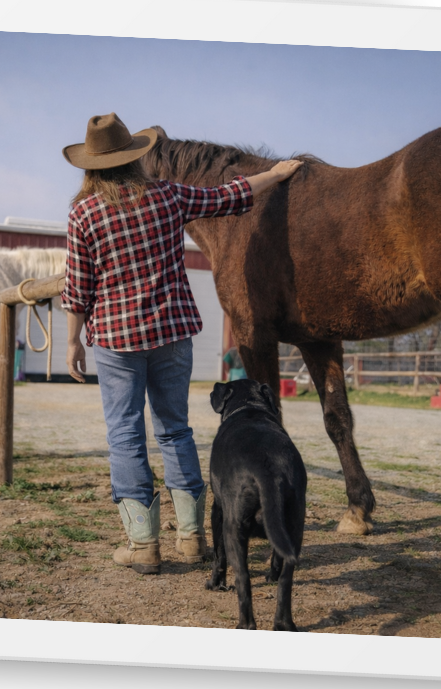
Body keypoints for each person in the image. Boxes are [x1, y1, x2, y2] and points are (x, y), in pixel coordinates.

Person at [60, 113, 302, 575]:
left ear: (90, 166)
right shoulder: (167, 196)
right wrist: (276, 172)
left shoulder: (84, 213)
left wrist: (73, 340)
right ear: (133, 158)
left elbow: (79, 286)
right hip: (172, 334)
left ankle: (143, 545)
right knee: (175, 429)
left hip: (116, 339)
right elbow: (231, 197)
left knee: (125, 433)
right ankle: (192, 540)